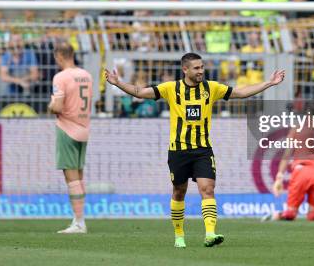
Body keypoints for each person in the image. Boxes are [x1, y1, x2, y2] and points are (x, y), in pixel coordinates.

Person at [105, 53, 285, 248]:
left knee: (208, 189)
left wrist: (268, 83)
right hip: (178, 151)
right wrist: (118, 83)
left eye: (202, 67)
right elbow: (140, 92)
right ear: (185, 70)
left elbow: (240, 93)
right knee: (178, 192)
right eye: (196, 68)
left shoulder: (211, 88)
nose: (201, 71)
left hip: (202, 151)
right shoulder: (171, 89)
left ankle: (210, 234)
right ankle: (179, 235)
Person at [48, 42, 93, 234]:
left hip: (67, 128)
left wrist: (50, 106)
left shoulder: (61, 77)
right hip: (84, 127)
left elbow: (57, 107)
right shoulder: (86, 75)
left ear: (59, 55)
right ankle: (78, 219)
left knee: (71, 177)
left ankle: (79, 223)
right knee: (79, 176)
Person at [264, 124, 314, 222]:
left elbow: (286, 155)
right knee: (313, 214)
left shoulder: (298, 128)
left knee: (291, 213)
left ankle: (279, 215)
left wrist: (279, 177)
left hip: (301, 171)